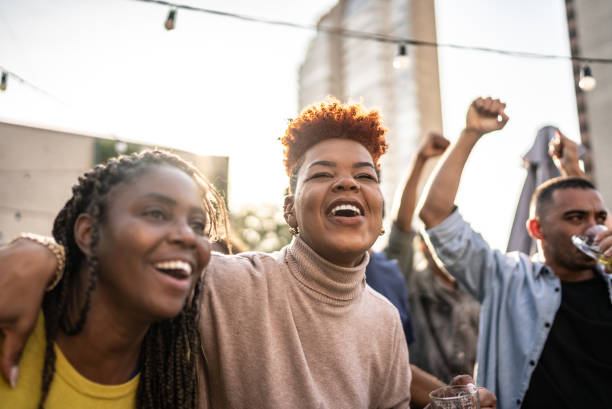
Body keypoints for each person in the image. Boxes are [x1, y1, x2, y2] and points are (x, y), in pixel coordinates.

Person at [0, 99, 497, 409]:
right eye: (322, 173)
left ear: (380, 211)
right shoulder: (227, 282)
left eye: (365, 176)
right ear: (290, 211)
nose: (348, 181)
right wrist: (37, 253)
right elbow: (121, 262)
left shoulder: (386, 320)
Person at [418, 96, 612, 408]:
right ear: (537, 230)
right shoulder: (508, 279)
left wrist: (574, 170)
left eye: (600, 219)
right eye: (575, 218)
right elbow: (436, 215)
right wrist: (470, 133)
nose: (592, 228)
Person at [0, 150, 227, 408]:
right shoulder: (10, 314)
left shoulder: (176, 383)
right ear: (88, 233)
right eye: (156, 214)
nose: (187, 236)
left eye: (197, 225)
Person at [384, 131, 480, 383]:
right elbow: (400, 232)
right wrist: (420, 160)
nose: (451, 248)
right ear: (424, 248)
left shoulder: (478, 286)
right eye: (438, 241)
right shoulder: (411, 285)